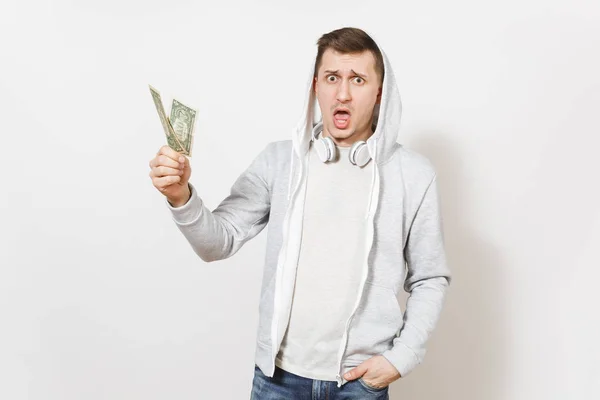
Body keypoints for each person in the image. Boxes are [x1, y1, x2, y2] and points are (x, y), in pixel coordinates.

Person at [148, 27, 452, 400]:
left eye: (357, 79)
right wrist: (181, 197)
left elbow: (430, 277)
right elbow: (218, 242)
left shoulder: (414, 175)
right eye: (332, 78)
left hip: (358, 384)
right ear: (316, 86)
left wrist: (401, 358)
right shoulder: (280, 161)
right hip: (278, 381)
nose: (342, 92)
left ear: (379, 92)